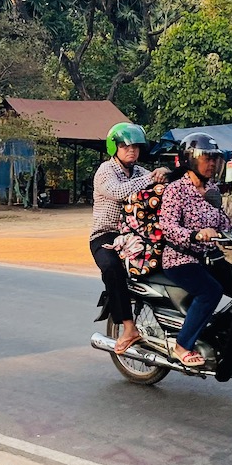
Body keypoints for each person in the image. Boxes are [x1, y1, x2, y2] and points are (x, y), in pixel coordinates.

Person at [156, 133, 232, 368]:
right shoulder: (176, 190)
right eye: (206, 159)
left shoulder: (213, 189)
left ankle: (222, 338)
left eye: (214, 160)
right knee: (211, 292)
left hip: (209, 257)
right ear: (190, 160)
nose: (211, 164)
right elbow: (167, 226)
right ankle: (182, 346)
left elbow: (224, 222)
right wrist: (194, 234)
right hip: (180, 258)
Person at [91, 122, 167, 353]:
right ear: (114, 147)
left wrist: (166, 173)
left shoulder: (140, 172)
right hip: (106, 236)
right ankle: (128, 326)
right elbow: (119, 191)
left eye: (135, 146)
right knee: (112, 269)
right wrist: (153, 178)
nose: (131, 151)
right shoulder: (106, 171)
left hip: (137, 236)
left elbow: (162, 183)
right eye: (125, 146)